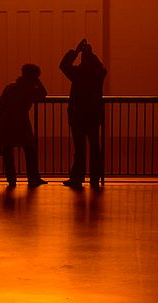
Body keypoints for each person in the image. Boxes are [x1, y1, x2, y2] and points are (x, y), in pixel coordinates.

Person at [0, 64, 48, 188]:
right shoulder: (30, 90)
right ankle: (33, 177)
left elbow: (0, 106)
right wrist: (38, 82)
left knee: (7, 151)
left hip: (5, 122)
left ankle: (11, 179)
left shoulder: (10, 88)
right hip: (21, 122)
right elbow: (43, 92)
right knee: (29, 149)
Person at [60, 39, 107, 190]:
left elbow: (63, 65)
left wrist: (76, 50)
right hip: (93, 115)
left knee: (79, 149)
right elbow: (100, 66)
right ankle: (95, 177)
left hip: (78, 115)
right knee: (94, 147)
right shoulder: (99, 73)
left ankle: (77, 177)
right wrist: (89, 53)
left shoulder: (78, 73)